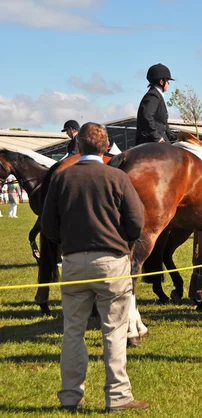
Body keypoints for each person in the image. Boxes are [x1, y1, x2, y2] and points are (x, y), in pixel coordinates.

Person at [41, 122, 147, 413]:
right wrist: (122, 240)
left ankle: (70, 396)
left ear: (78, 146)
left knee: (72, 331)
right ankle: (118, 396)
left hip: (74, 261)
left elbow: (47, 224)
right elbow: (137, 221)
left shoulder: (62, 179)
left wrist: (67, 240)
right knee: (113, 330)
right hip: (111, 261)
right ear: (106, 147)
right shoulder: (117, 177)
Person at [135, 63, 177, 146]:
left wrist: (175, 137)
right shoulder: (153, 95)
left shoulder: (157, 95)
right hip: (150, 143)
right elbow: (147, 116)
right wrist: (157, 137)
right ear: (161, 81)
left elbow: (163, 124)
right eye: (167, 81)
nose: (168, 84)